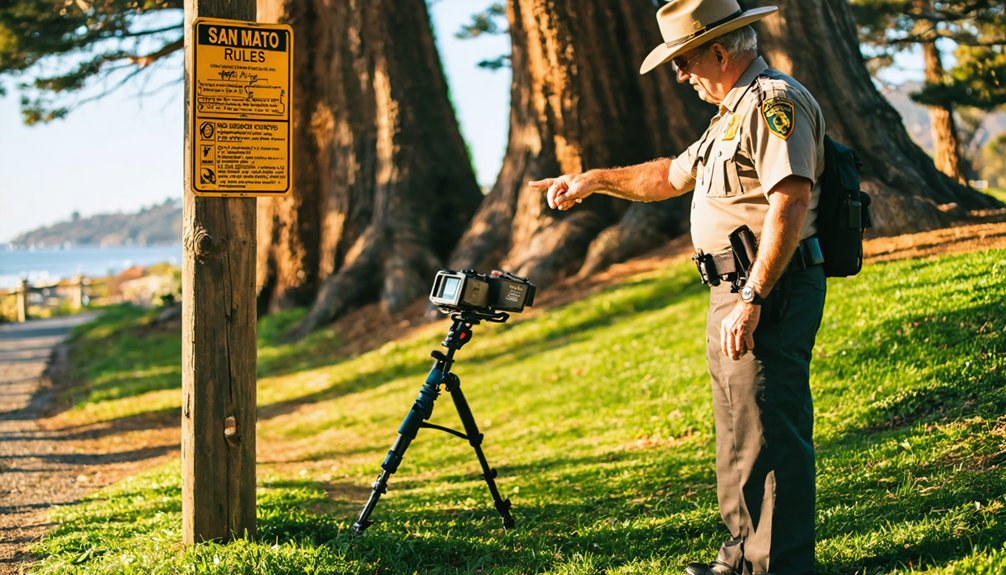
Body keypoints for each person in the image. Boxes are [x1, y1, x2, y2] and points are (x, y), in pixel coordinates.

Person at [528, 1, 827, 574]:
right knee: (740, 424)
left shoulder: (773, 103)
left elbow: (789, 199)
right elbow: (667, 175)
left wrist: (754, 298)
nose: (680, 76)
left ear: (719, 51)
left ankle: (778, 566)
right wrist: (593, 180)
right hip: (734, 290)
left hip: (767, 288)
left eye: (684, 62)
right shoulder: (730, 115)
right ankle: (741, 558)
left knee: (770, 424)